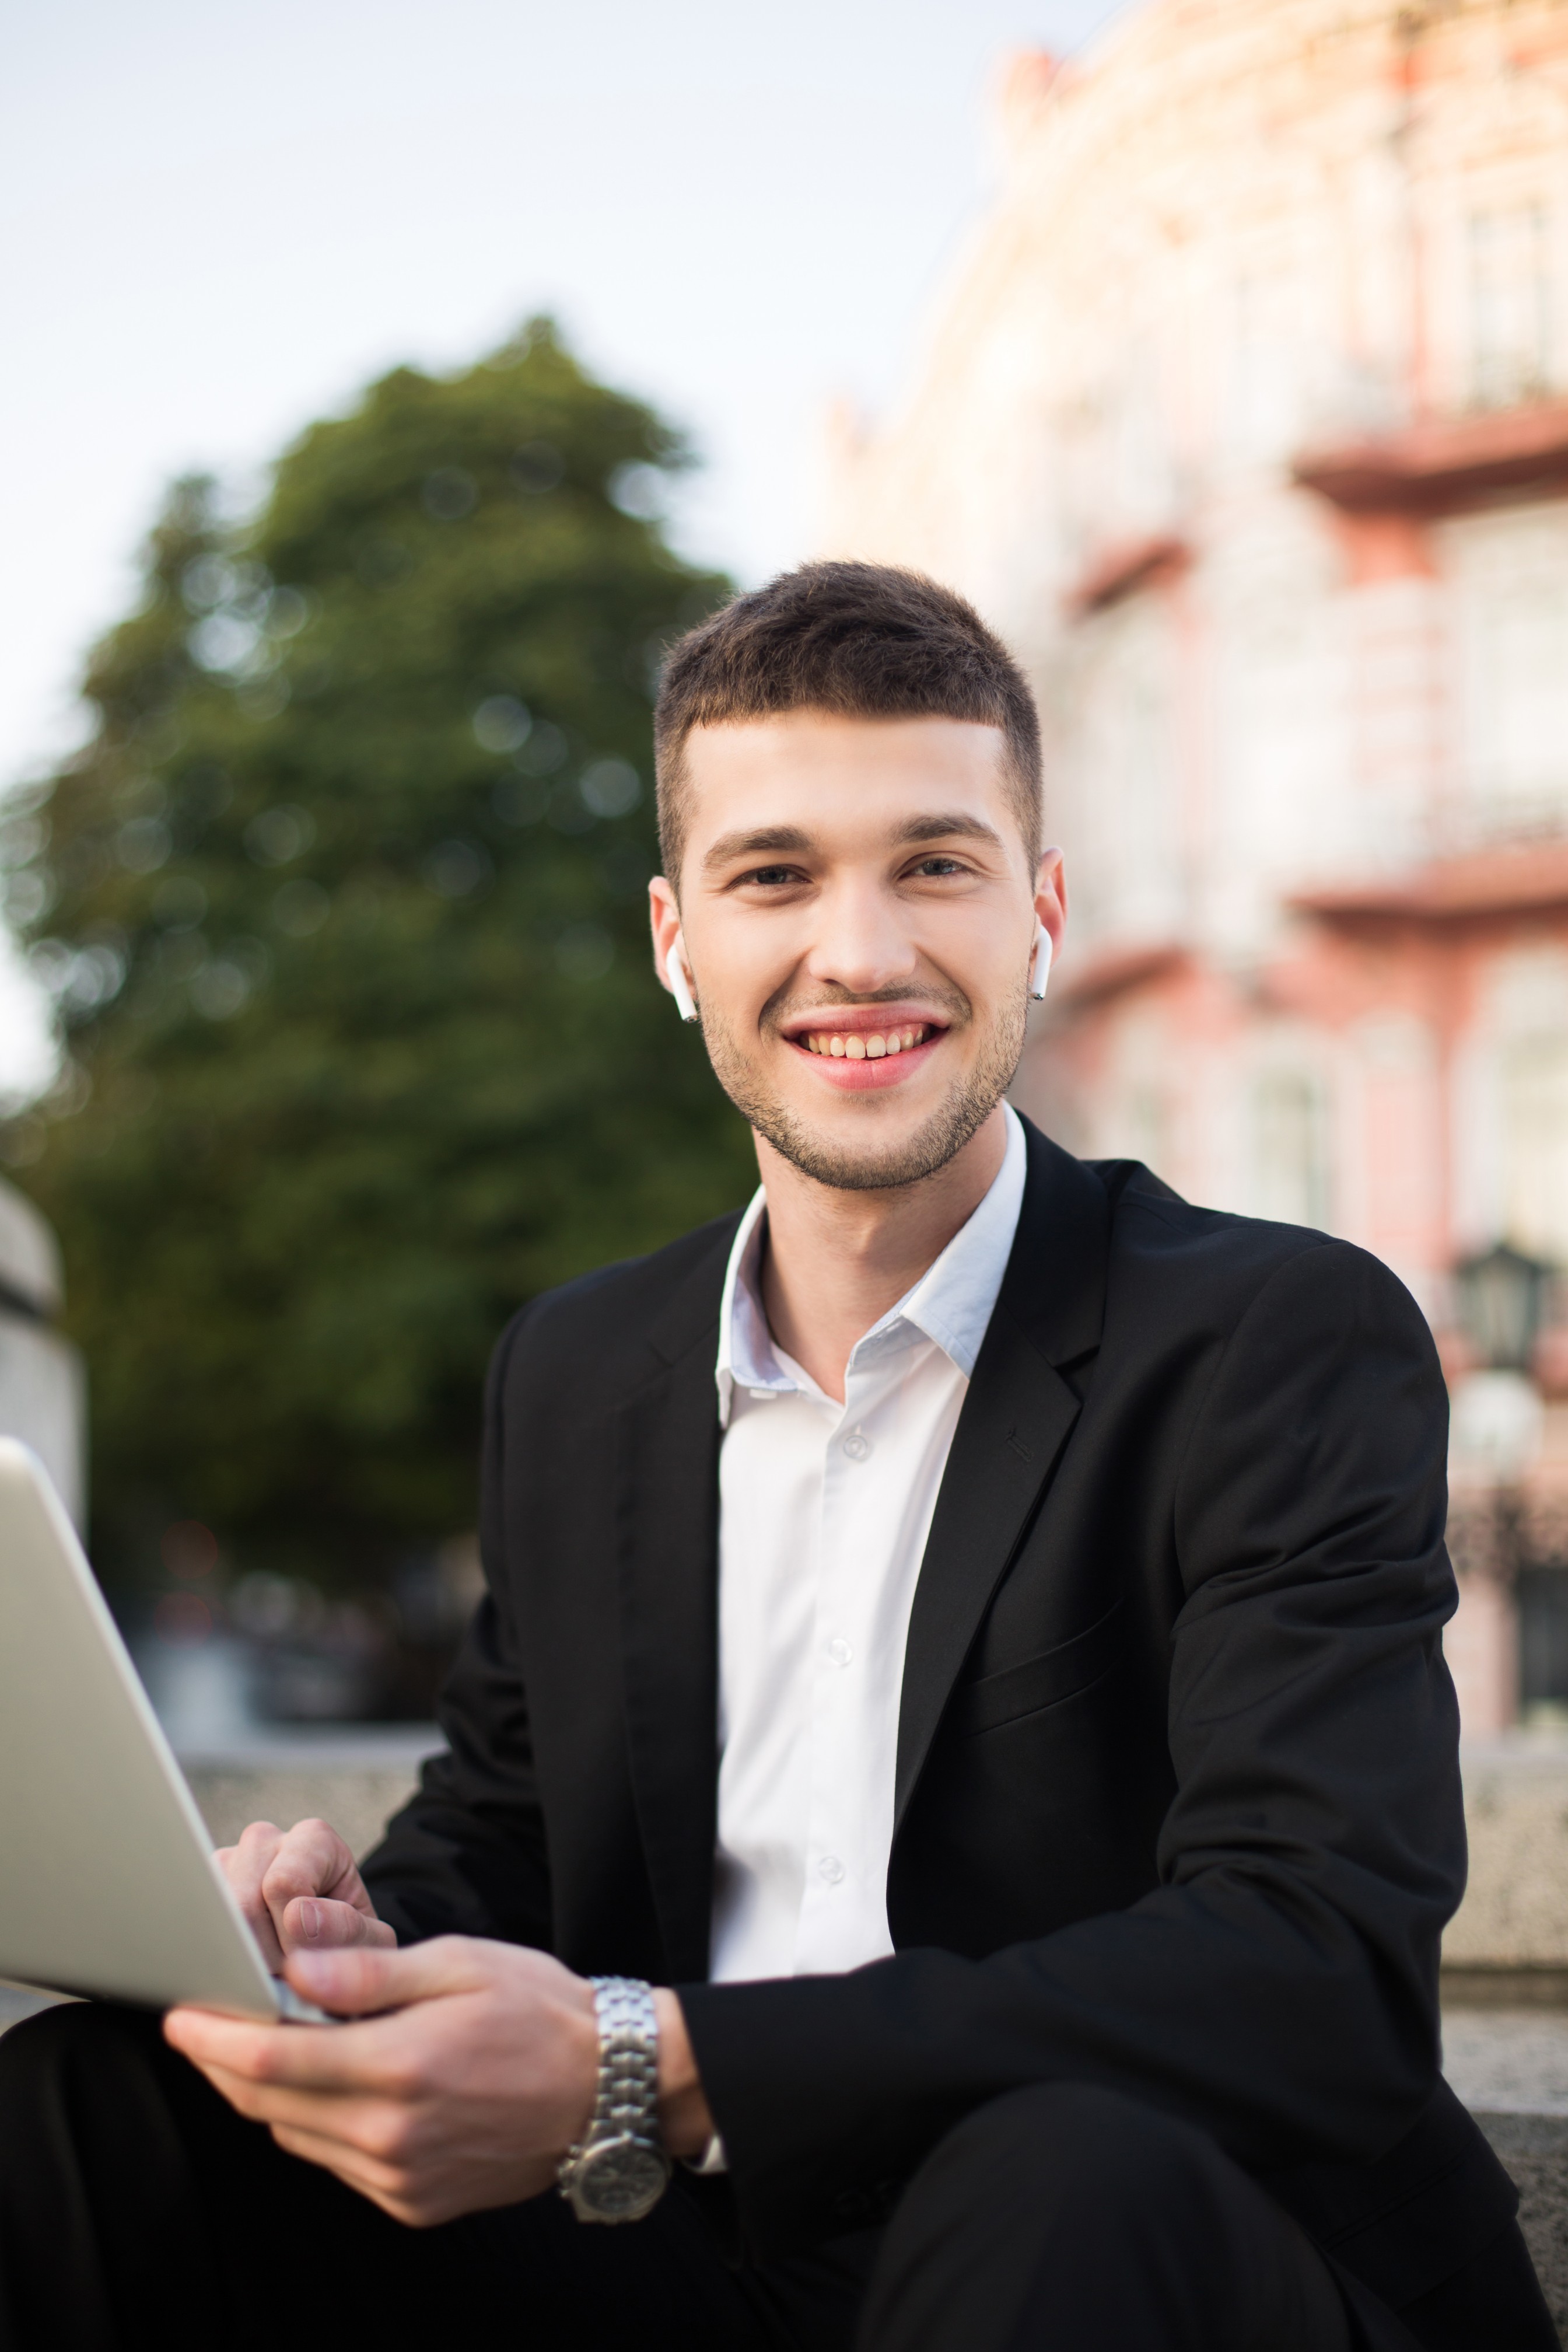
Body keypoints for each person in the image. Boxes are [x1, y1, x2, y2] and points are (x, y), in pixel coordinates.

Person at [0, 562, 1553, 2352]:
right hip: (695, 2259)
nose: (865, 952)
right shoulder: (577, 1371)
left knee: (1051, 2183)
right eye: (775, 875)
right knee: (98, 2108)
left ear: (1040, 911)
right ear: (678, 942)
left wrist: (652, 2065)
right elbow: (505, 1836)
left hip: (1150, 2251)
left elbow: (1314, 1973)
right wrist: (344, 1936)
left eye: (937, 864)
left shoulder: (1277, 1340)